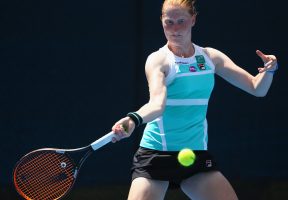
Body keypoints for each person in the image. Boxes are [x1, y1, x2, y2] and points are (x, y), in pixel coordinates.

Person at [112, 0, 278, 199]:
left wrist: (270, 71)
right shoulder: (158, 60)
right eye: (169, 22)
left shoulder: (210, 57)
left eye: (181, 21)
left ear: (193, 20)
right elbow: (158, 104)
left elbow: (256, 88)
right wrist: (133, 119)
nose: (174, 29)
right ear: (161, 22)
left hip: (195, 157)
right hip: (155, 156)